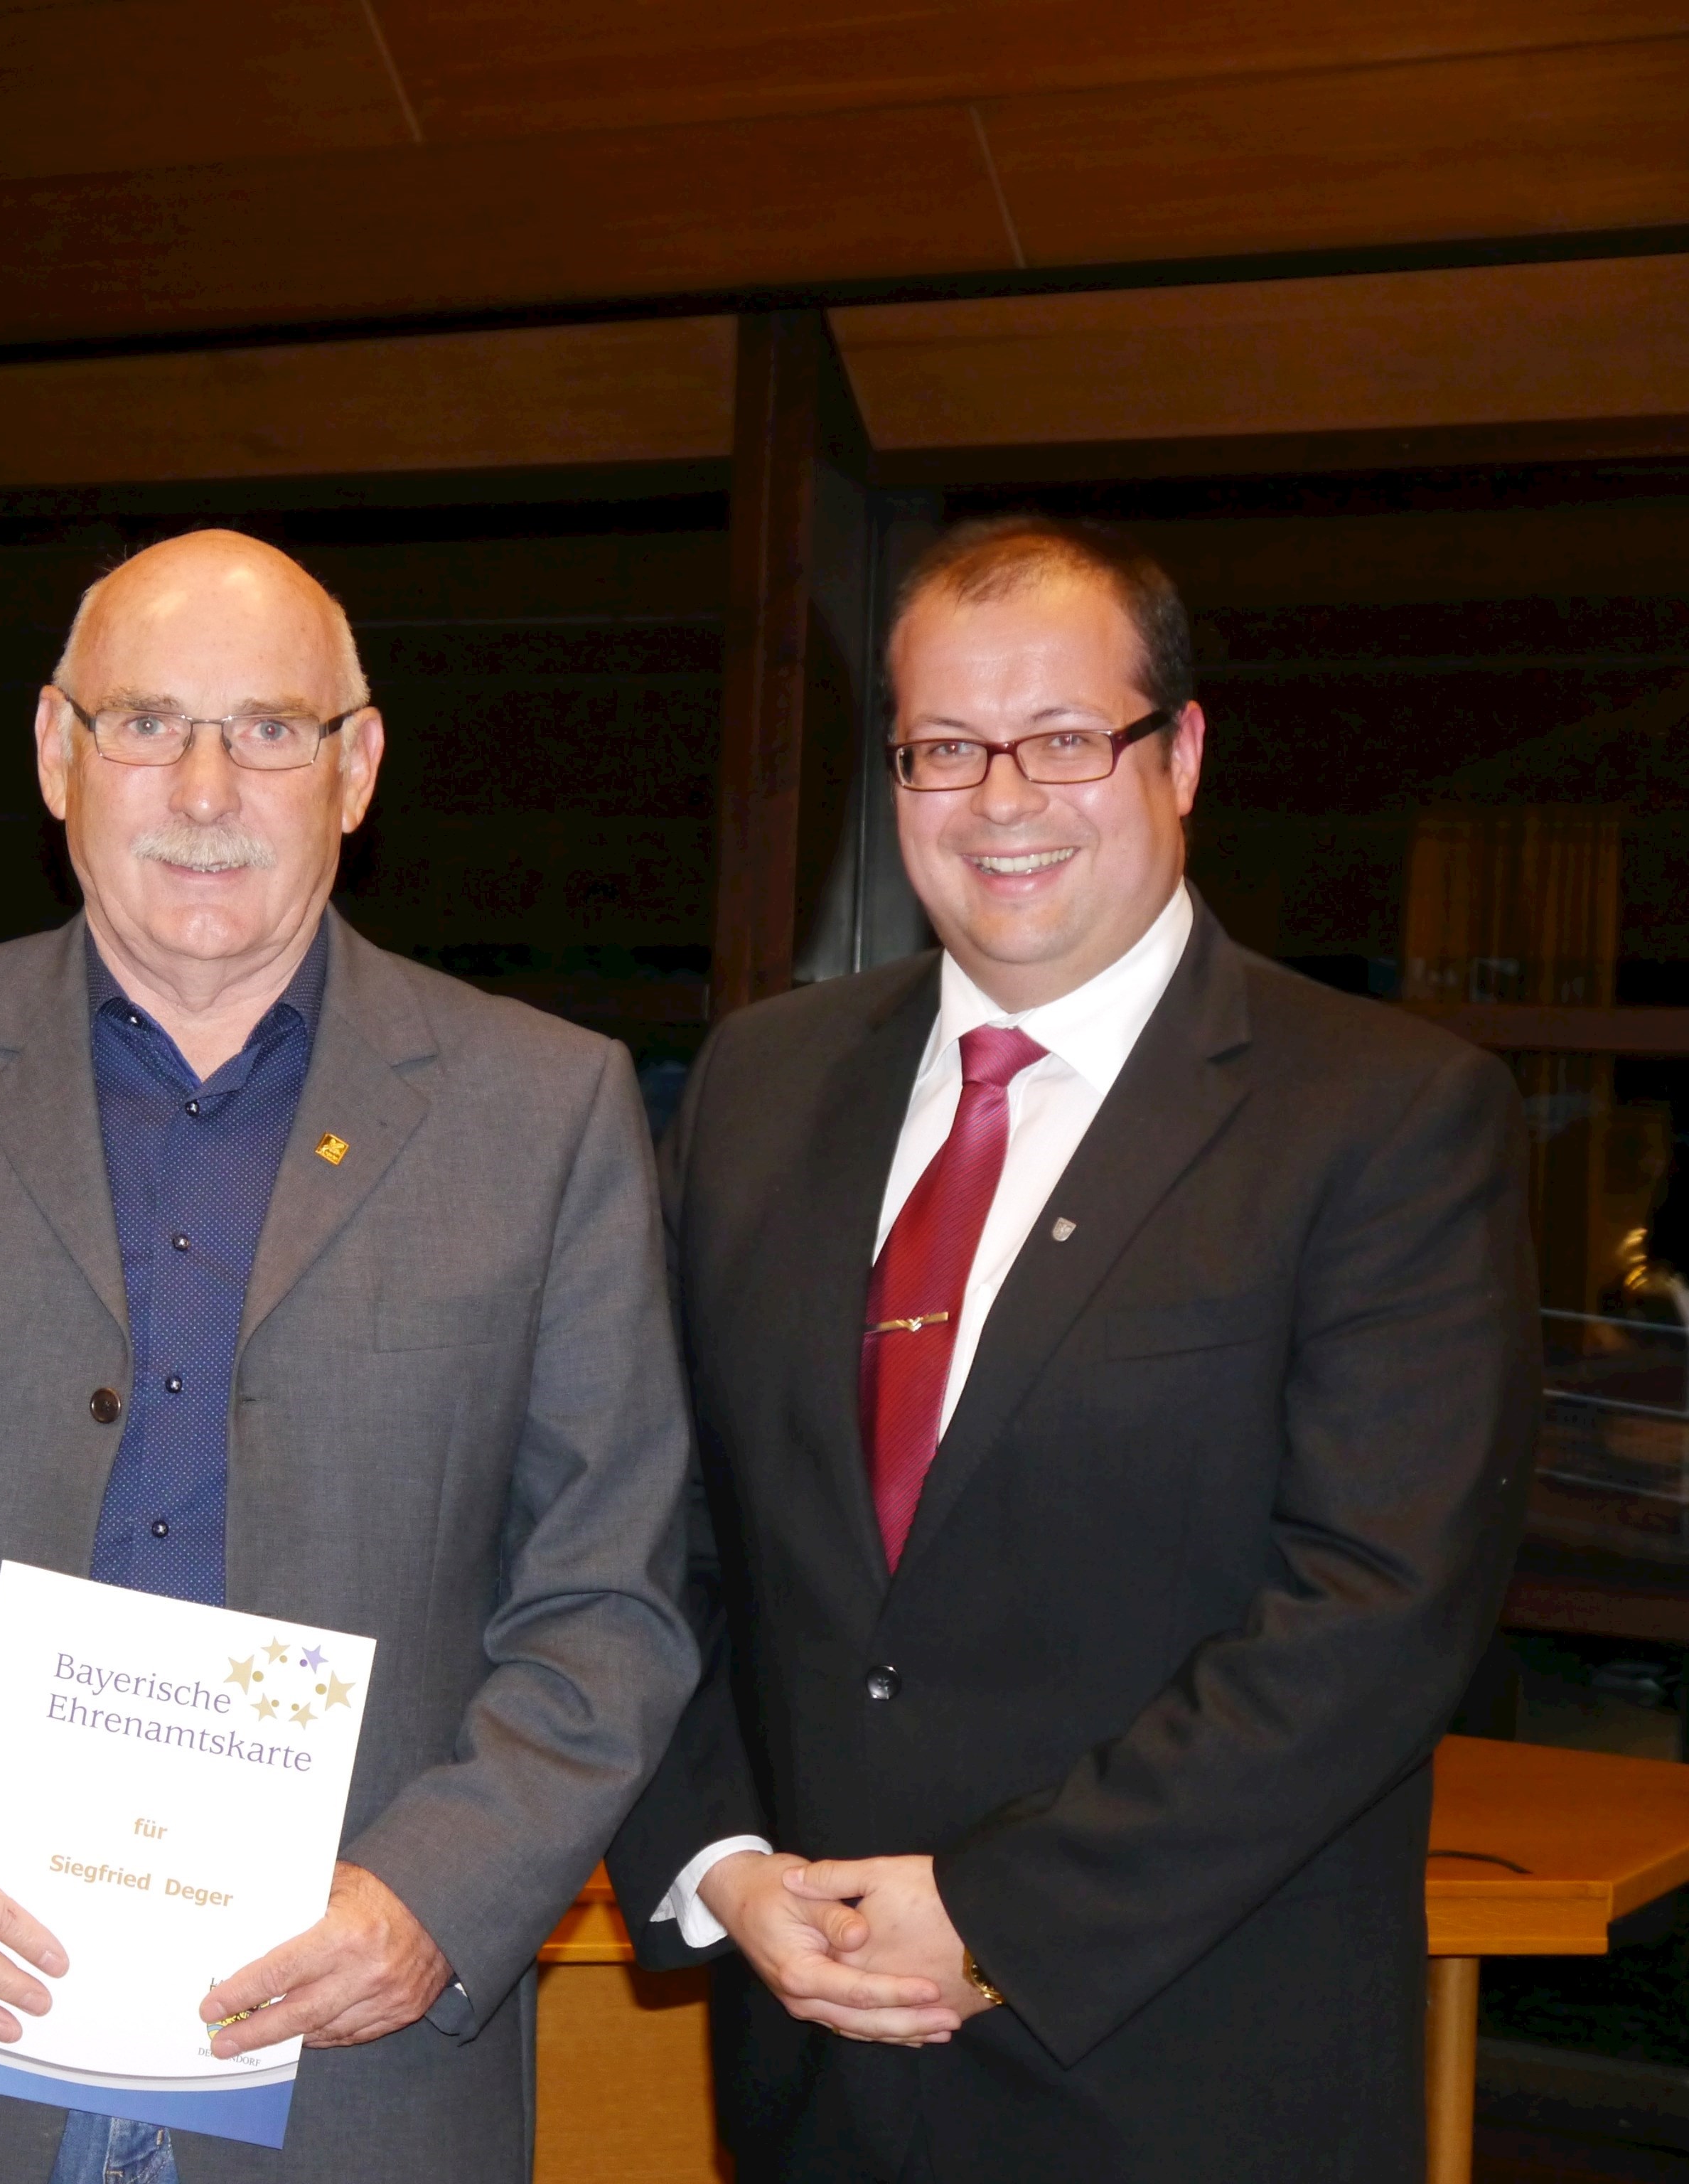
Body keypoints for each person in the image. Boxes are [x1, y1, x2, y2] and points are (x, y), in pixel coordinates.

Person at [0, 528, 697, 2182]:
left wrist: (434, 1899)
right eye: (145, 722)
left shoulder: (546, 1111)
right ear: (54, 751)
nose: (203, 789)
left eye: (269, 729)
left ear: (356, 767)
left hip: (350, 2083)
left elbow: (610, 1601)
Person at [609, 514, 1539, 2181]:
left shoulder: (1384, 1116)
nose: (998, 800)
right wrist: (723, 1858)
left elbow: (1374, 1612)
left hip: (1187, 2083)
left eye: (1059, 739)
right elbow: (657, 1533)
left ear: (1178, 754)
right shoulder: (755, 1086)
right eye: (942, 748)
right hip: (810, 2071)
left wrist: (994, 1912)